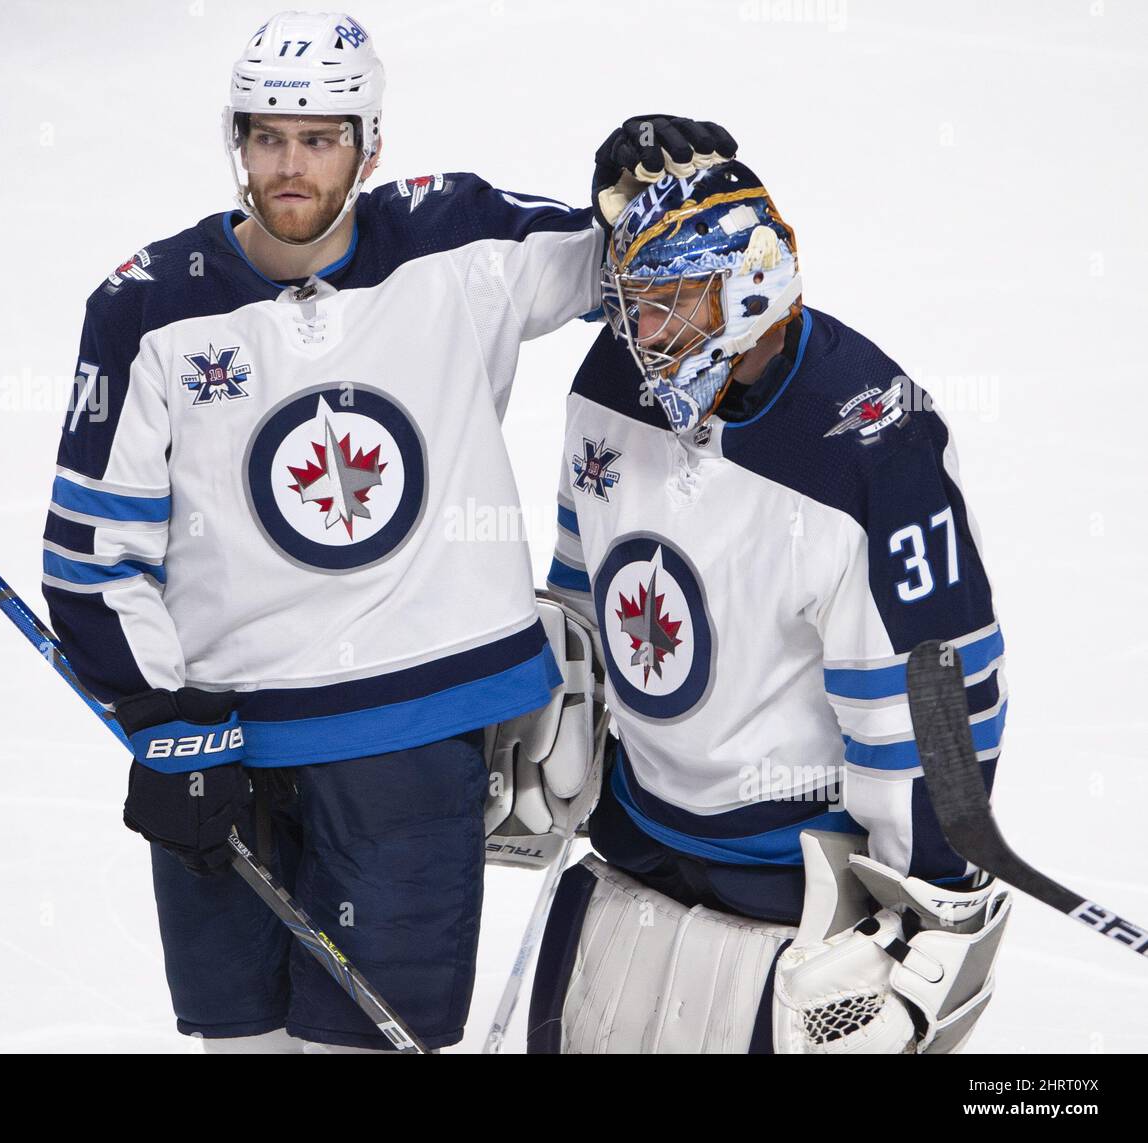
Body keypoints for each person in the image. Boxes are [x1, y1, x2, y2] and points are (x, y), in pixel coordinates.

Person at [41, 9, 729, 1053]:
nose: (288, 166)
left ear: (370, 145)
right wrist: (167, 723)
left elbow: (639, 270)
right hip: (225, 743)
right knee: (241, 1044)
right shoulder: (148, 309)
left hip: (413, 738)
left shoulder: (457, 240)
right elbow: (91, 554)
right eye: (265, 137)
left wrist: (662, 179)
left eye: (318, 139)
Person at [529, 159, 1012, 1054]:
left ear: (750, 291)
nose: (638, 329)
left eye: (668, 301)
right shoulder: (612, 380)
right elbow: (582, 576)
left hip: (791, 894)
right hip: (635, 846)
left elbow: (933, 702)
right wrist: (558, 693)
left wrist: (936, 911)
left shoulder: (874, 450)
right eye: (631, 299)